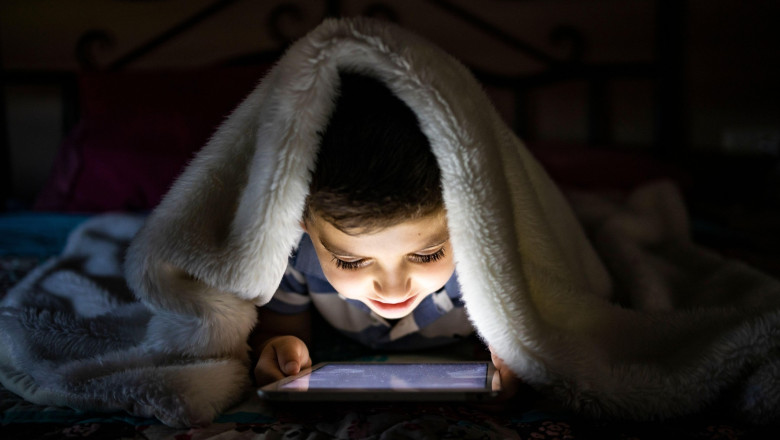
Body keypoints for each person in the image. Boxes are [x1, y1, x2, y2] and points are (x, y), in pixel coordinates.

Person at [249, 71, 519, 397]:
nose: (393, 290)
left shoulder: (487, 263)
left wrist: (520, 355)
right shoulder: (292, 260)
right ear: (300, 222)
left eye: (427, 254)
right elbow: (278, 332)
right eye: (351, 261)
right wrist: (280, 349)